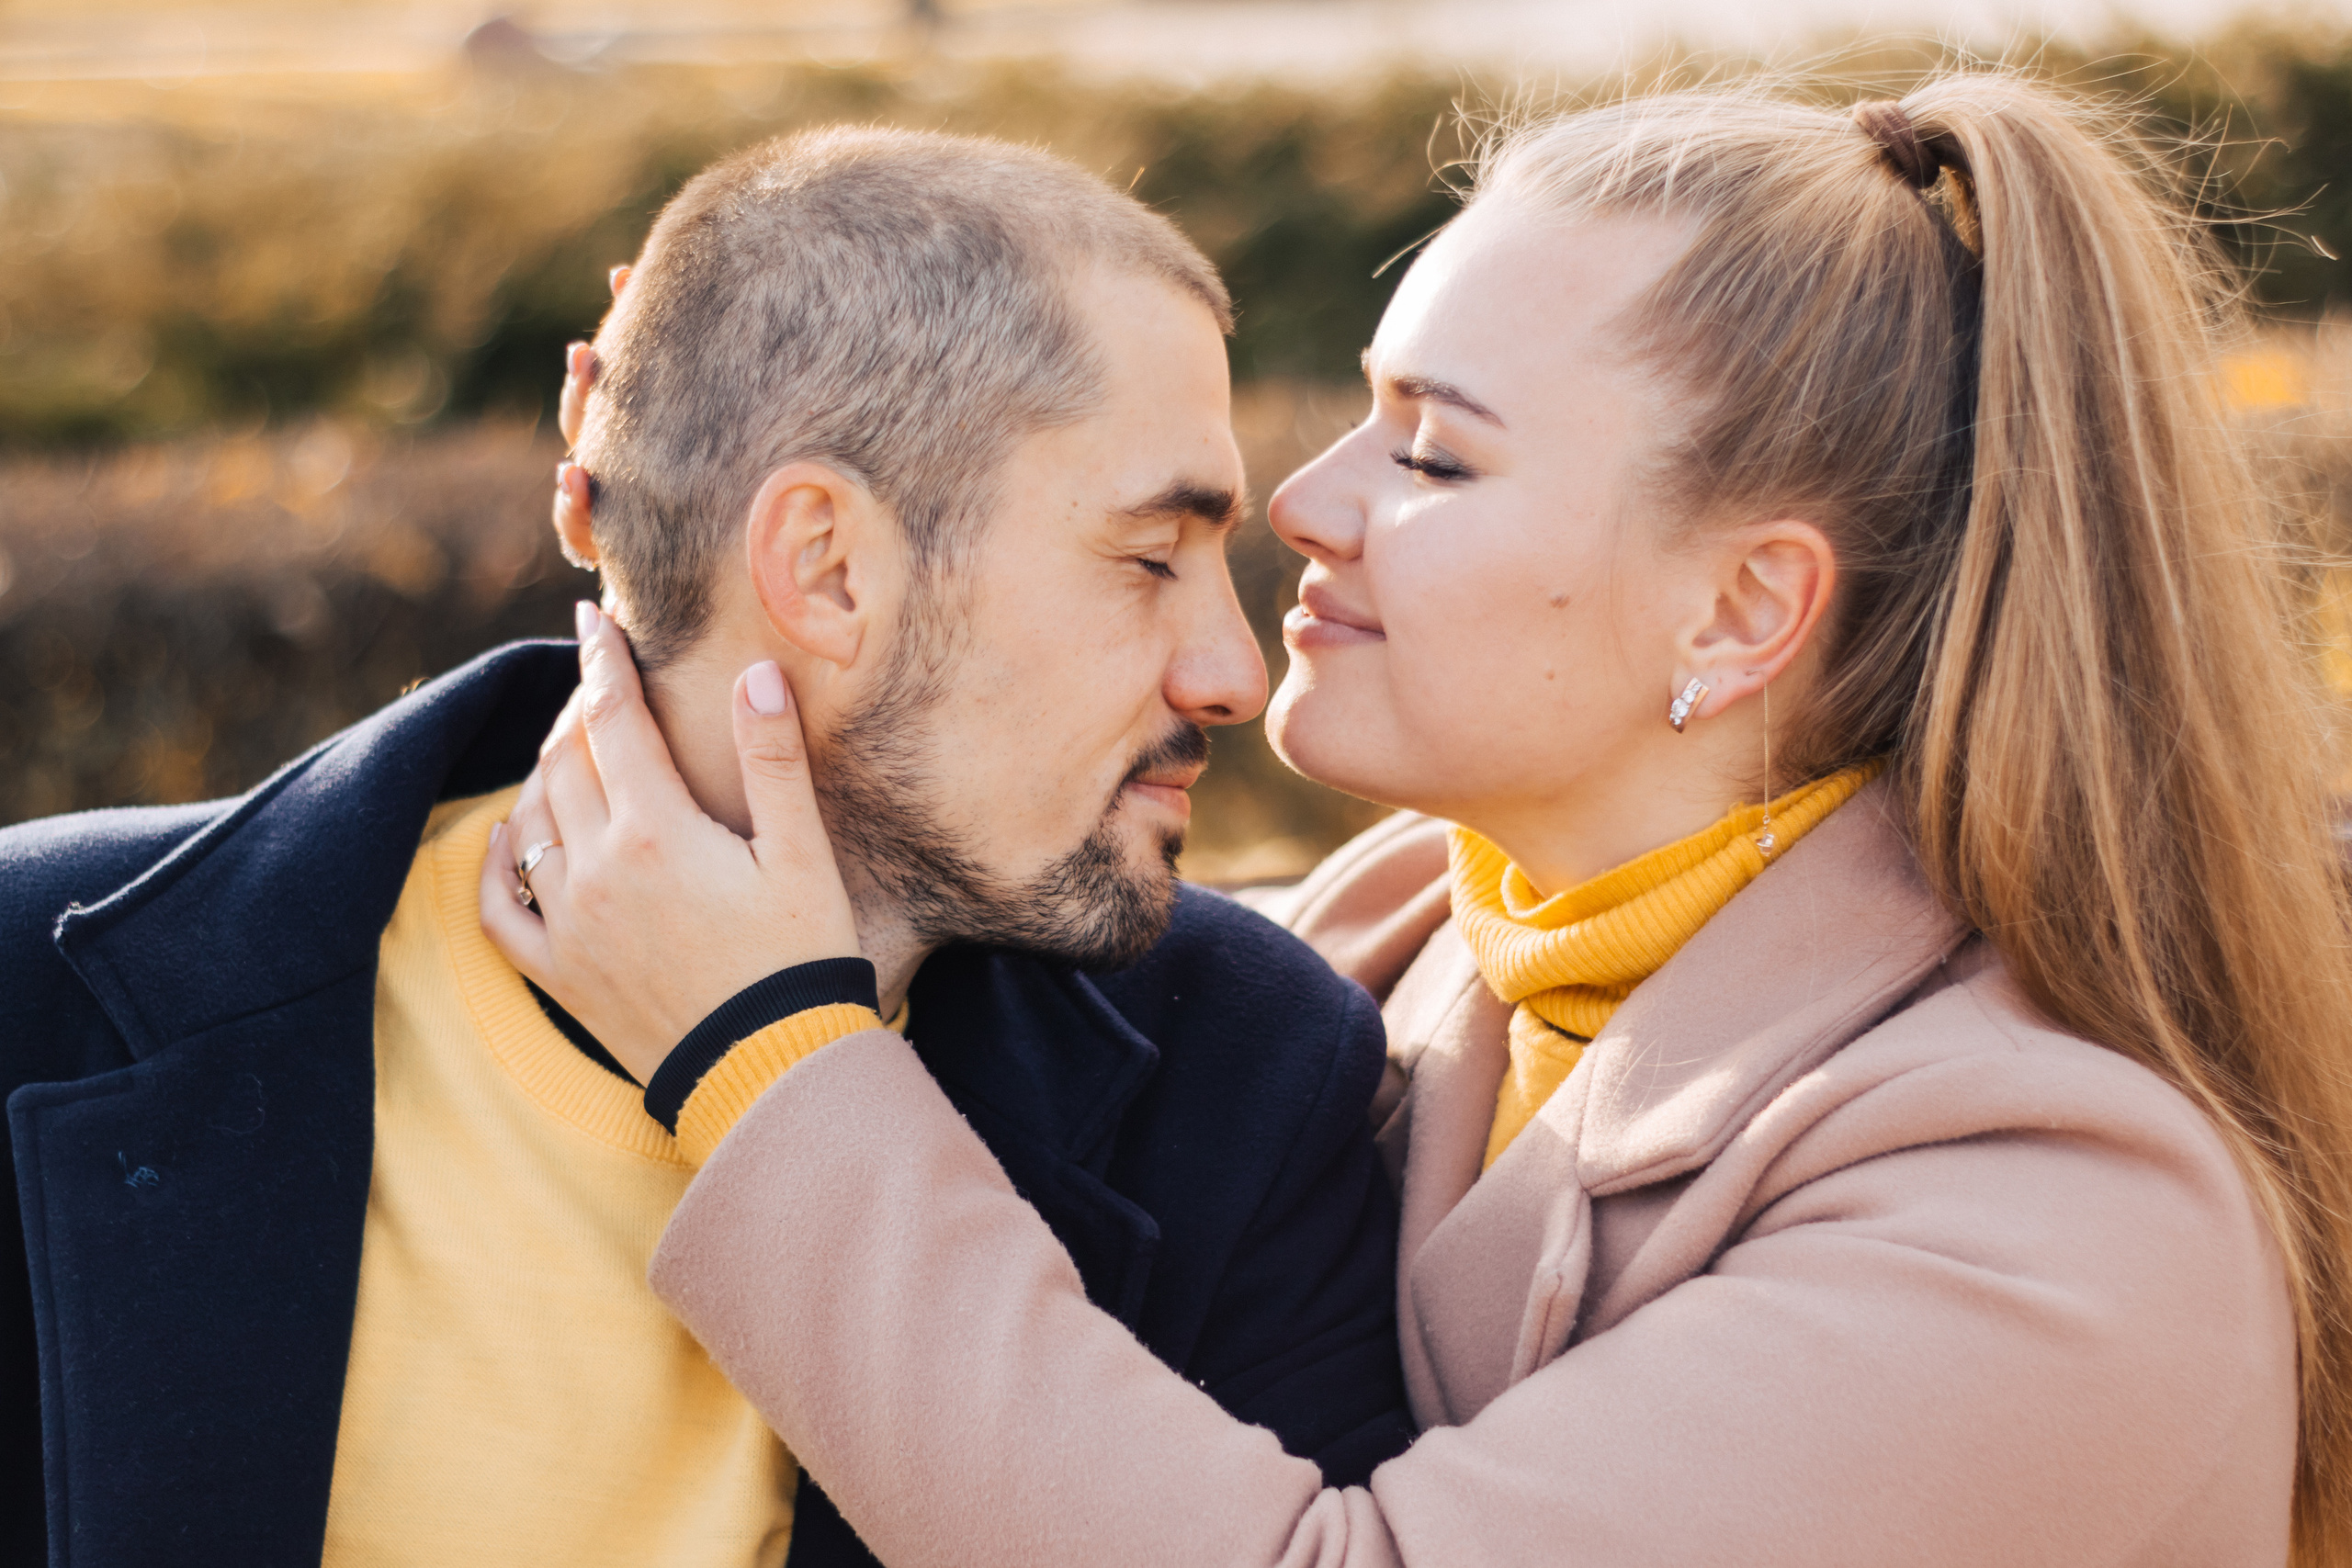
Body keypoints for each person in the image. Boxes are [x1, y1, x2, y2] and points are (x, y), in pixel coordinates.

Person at [501, 73, 2352, 1565]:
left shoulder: (2051, 1228)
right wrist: (672, 443)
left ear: (1736, 611)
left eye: (1433, 451)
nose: (1305, 501)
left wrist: (766, 1060)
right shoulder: (1389, 945)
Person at [0, 127, 1415, 1568]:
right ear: (826, 566)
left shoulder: (1247, 1084)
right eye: (1151, 556)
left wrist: (774, 1056)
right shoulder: (30, 985)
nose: (1235, 674)